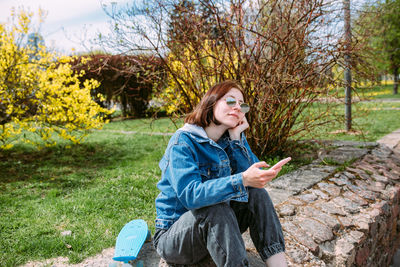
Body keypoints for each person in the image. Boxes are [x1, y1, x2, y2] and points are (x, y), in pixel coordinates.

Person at [153, 80, 288, 267]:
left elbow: (251, 178)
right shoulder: (183, 142)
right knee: (214, 207)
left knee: (257, 194)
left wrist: (236, 139)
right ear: (212, 101)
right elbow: (192, 196)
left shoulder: (232, 139)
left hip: (217, 229)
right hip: (175, 238)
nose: (238, 108)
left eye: (243, 105)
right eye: (231, 101)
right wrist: (242, 179)